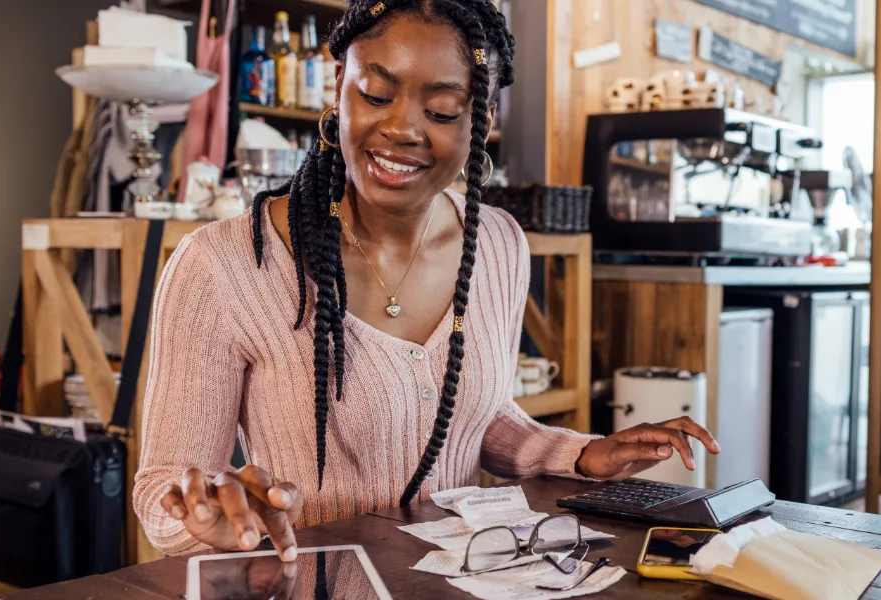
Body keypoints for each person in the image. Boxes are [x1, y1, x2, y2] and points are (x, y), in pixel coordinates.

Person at [134, 0, 718, 562]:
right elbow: (163, 491)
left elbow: (474, 419)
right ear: (338, 86)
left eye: (440, 110)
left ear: (481, 119)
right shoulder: (223, 265)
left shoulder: (497, 245)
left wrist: (586, 454)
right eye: (376, 94)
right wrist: (207, 515)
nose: (402, 128)